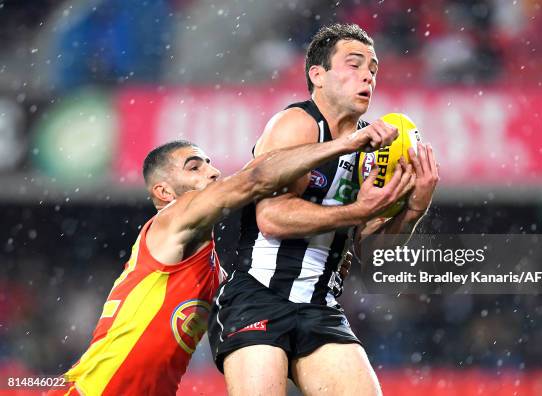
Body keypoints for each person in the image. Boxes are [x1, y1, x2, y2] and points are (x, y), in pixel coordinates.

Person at [51, 120, 409, 395]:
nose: (212, 171)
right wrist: (345, 145)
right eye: (194, 167)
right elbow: (254, 179)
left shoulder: (214, 272)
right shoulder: (170, 220)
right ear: (163, 191)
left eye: (209, 164)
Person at [207, 23, 439, 395]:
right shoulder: (296, 124)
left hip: (320, 306)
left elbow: (374, 256)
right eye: (354, 64)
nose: (368, 75)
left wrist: (413, 209)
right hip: (257, 296)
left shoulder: (374, 148)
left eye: (374, 69)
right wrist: (357, 211)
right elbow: (272, 219)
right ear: (318, 75)